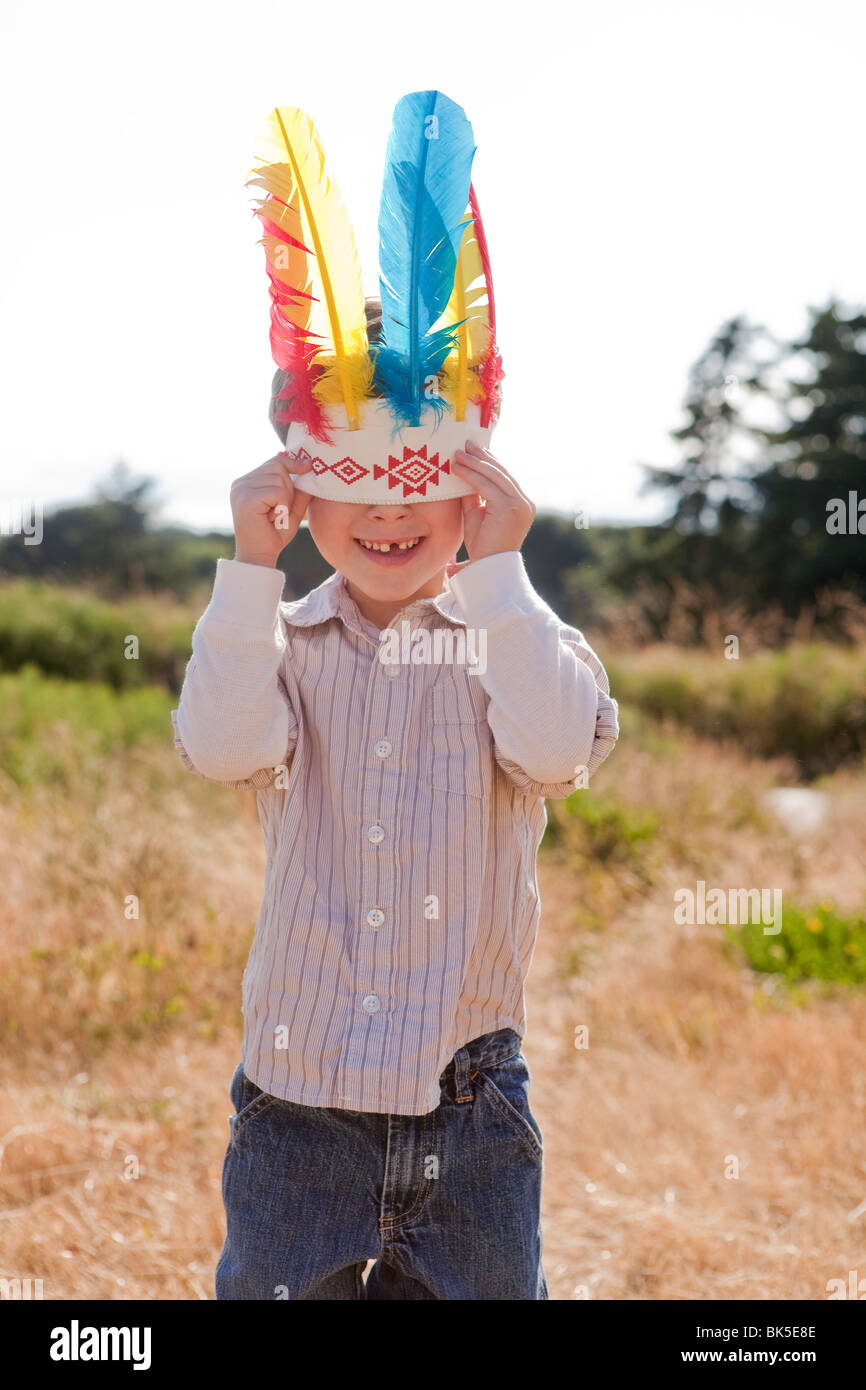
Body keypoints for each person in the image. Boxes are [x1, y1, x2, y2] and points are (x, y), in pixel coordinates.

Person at [170, 93, 620, 1299]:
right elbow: (219, 749)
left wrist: (508, 575)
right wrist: (249, 570)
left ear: (471, 494)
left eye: (418, 484)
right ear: (299, 494)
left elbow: (558, 749)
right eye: (351, 486)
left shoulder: (511, 636)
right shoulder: (275, 638)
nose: (384, 515)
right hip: (293, 1100)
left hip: (467, 1104)